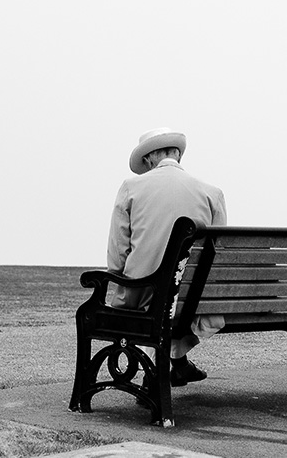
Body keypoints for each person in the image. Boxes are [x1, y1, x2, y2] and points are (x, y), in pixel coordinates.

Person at [107, 127, 227, 386]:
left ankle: (155, 374)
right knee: (176, 301)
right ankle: (180, 366)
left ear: (150, 158)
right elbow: (217, 253)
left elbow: (117, 254)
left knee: (157, 302)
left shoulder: (131, 187)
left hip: (145, 292)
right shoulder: (212, 192)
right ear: (177, 156)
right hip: (192, 298)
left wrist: (117, 277)